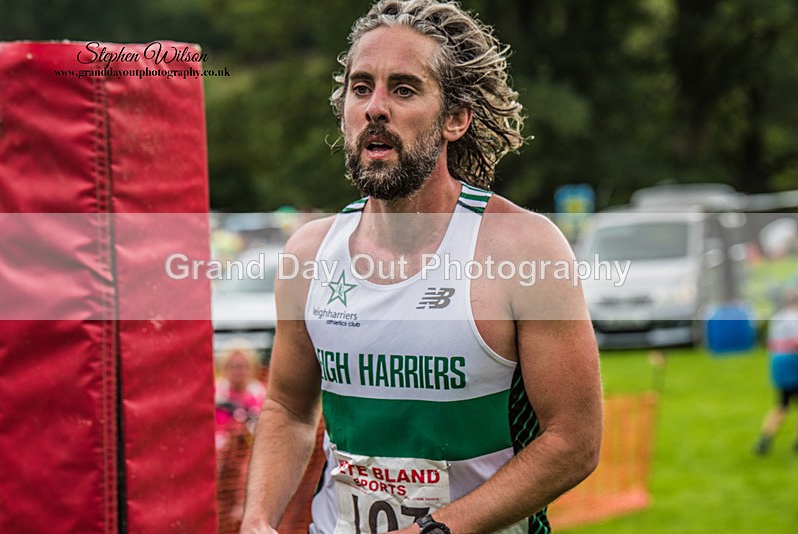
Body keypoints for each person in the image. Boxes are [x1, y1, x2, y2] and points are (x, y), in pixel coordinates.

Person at [241, 1, 602, 532]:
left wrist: (436, 530)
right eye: (361, 88)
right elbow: (289, 409)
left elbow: (574, 442)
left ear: (455, 118)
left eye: (404, 89)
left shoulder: (523, 249)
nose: (375, 108)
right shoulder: (309, 254)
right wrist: (257, 518)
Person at [754, 288, 798, 455]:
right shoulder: (795, 319)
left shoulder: (778, 317)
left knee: (782, 404)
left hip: (777, 364)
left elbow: (770, 342)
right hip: (793, 363)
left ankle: (765, 439)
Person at [215, 340, 267, 432]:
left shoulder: (261, 395)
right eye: (233, 366)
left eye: (242, 366)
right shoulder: (215, 395)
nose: (238, 371)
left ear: (251, 368)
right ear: (224, 368)